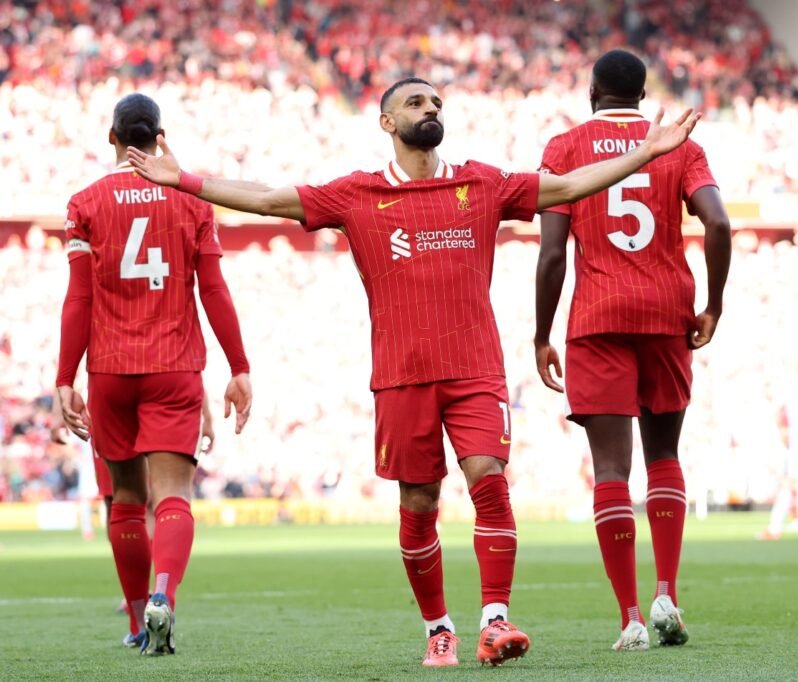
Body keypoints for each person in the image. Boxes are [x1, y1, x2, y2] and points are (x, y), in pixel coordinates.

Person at [127, 76, 699, 667]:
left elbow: (569, 186)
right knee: (420, 502)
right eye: (415, 103)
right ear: (387, 123)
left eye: (436, 103)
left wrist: (646, 153)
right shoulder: (357, 194)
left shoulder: (481, 182)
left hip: (476, 369)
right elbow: (270, 199)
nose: (430, 109)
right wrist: (184, 180)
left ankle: (495, 621)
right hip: (401, 376)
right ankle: (438, 629)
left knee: (489, 478)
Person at [534, 50, 732, 651]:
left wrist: (542, 334)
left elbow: (552, 255)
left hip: (598, 317)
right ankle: (666, 592)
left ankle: (630, 619)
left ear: (592, 90)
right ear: (643, 94)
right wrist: (714, 304)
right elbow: (719, 224)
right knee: (664, 453)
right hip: (666, 312)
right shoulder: (679, 145)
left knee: (611, 470)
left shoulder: (563, 148)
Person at [55, 93, 253, 657]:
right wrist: (238, 367)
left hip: (111, 370)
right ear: (159, 138)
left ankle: (141, 620)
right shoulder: (192, 203)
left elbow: (79, 298)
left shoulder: (85, 203)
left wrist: (64, 379)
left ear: (112, 139)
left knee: (124, 498)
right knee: (172, 496)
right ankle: (166, 594)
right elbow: (213, 291)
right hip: (174, 366)